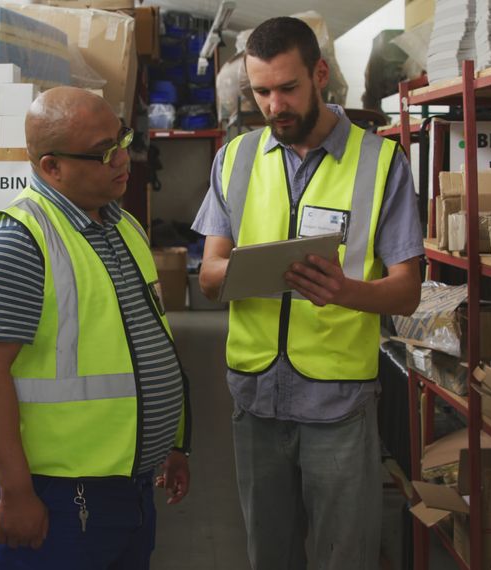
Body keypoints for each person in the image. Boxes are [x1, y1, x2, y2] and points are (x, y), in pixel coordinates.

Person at [191, 17, 423, 570]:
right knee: (268, 555)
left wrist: (344, 291)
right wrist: (257, 270)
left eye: (288, 88)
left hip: (338, 404)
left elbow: (407, 291)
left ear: (320, 75)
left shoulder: (380, 163)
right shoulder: (236, 159)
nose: (274, 106)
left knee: (345, 555)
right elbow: (208, 274)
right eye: (262, 92)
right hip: (256, 400)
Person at [0, 86, 192, 570]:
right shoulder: (17, 241)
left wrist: (169, 441)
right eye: (102, 152)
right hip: (56, 494)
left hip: (125, 483)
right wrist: (17, 491)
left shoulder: (122, 225)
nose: (122, 157)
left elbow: (146, 344)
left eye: (122, 139)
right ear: (51, 167)